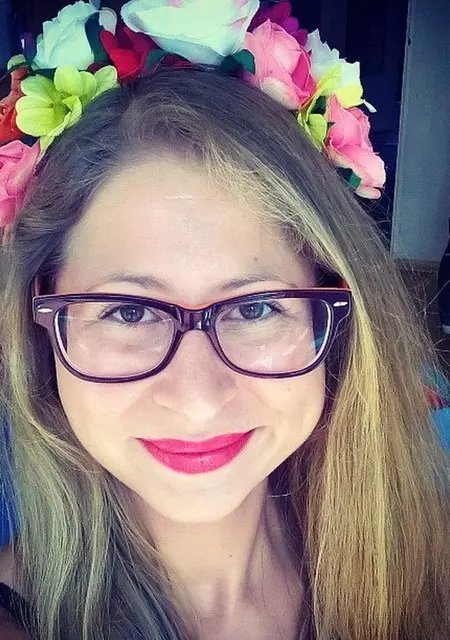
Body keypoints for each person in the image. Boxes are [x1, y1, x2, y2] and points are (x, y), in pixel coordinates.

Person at [0, 1, 449, 638]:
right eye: (129, 311)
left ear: (336, 319)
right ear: (43, 321)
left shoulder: (429, 562)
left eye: (255, 307)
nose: (198, 401)